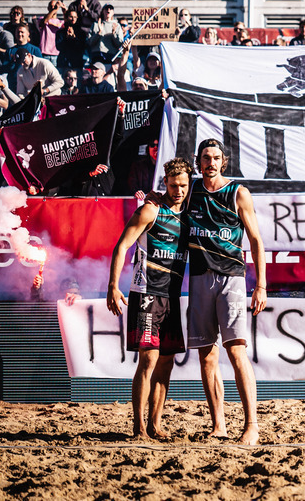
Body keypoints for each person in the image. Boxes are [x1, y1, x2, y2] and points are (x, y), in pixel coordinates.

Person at [185, 139, 266, 445]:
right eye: (206, 158)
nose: (211, 162)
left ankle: (251, 425)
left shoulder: (237, 192)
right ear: (198, 161)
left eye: (216, 158)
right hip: (199, 277)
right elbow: (163, 200)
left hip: (231, 277)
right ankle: (218, 424)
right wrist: (152, 197)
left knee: (236, 351)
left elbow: (256, 240)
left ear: (224, 161)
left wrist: (261, 285)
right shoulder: (190, 190)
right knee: (207, 356)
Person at [107, 157, 192, 440]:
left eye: (183, 185)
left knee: (166, 362)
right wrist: (113, 285)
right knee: (149, 360)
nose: (178, 190)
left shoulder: (190, 214)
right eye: (173, 185)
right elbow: (121, 245)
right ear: (165, 183)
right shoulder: (151, 211)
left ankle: (155, 424)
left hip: (172, 296)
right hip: (146, 294)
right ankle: (138, 426)